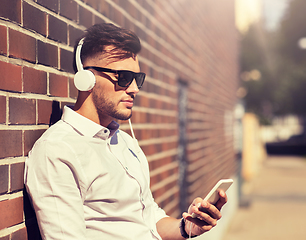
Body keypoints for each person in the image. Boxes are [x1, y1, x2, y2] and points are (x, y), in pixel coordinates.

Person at [24, 23, 228, 240]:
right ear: (87, 78)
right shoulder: (58, 151)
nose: (134, 89)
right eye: (123, 77)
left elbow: (149, 218)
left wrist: (187, 227)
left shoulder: (126, 143)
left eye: (137, 78)